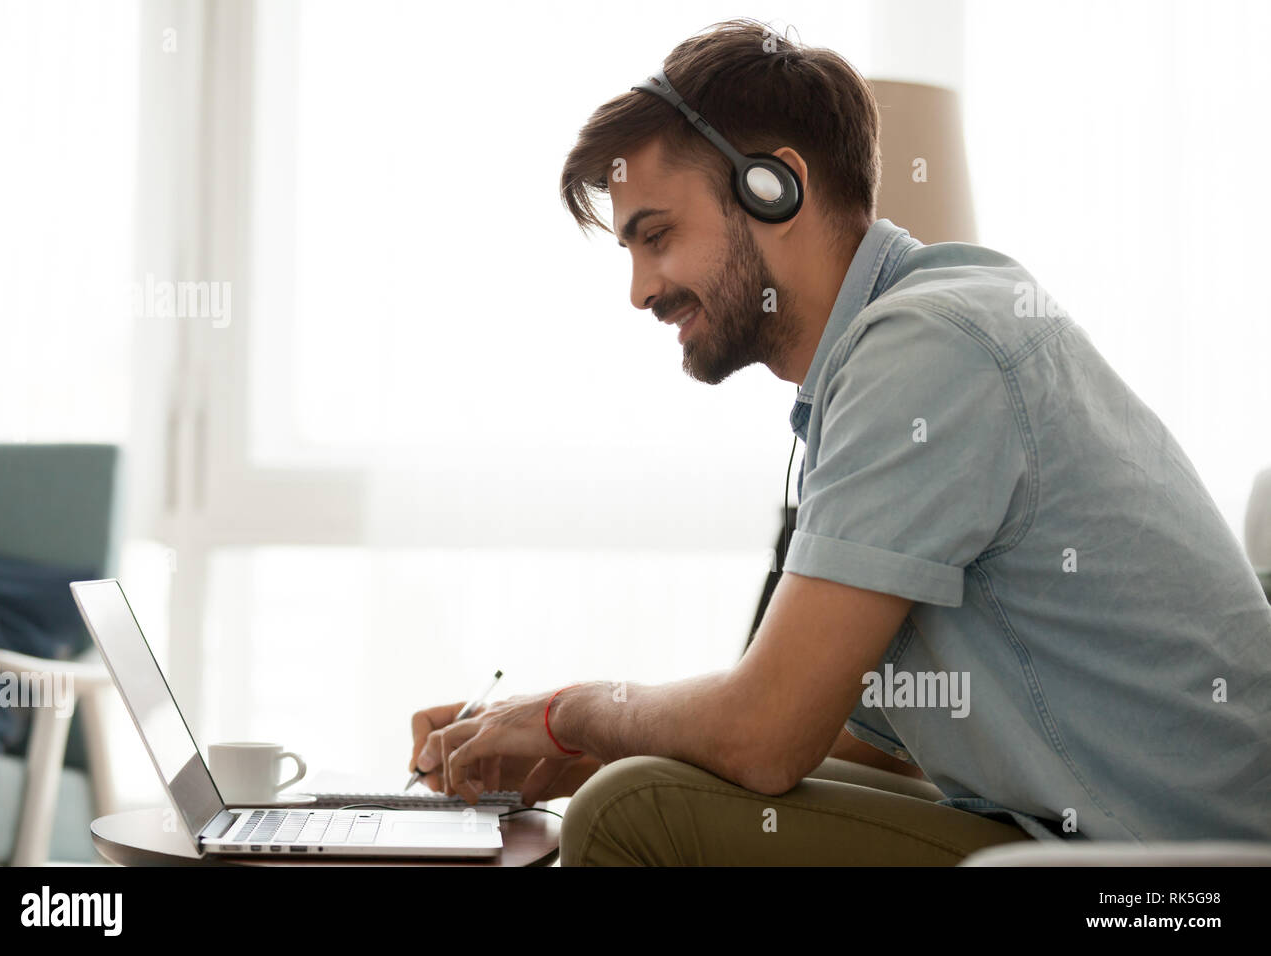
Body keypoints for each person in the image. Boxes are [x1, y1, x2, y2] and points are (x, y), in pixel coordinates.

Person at [408, 18, 1271, 865]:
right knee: (631, 780)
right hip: (1093, 837)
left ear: (773, 186)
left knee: (632, 812)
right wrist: (556, 748)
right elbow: (864, 739)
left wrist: (571, 711)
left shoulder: (927, 349)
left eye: (658, 236)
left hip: (1173, 880)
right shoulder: (915, 335)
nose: (640, 290)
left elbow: (768, 736)